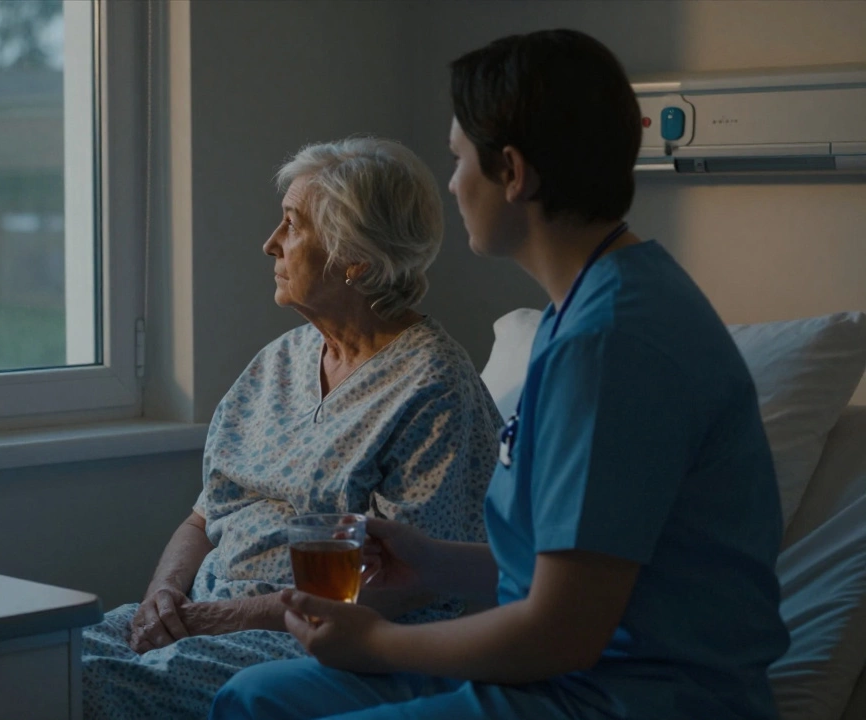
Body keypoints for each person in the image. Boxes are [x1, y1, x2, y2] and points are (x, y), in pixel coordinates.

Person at [211, 29, 791, 720]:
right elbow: (571, 571)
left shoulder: (612, 343)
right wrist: (434, 563)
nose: (452, 184)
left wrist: (381, 643)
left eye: (459, 160)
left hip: (625, 695)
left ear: (513, 173)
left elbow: (563, 631)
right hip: (559, 669)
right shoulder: (579, 312)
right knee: (255, 696)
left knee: (264, 710)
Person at [81, 137, 502, 719]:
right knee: (29, 660)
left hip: (317, 641)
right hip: (198, 615)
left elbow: (413, 586)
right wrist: (163, 598)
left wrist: (221, 618)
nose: (270, 244)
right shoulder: (278, 362)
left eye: (292, 226)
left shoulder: (433, 387)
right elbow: (204, 516)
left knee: (89, 685)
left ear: (354, 258)